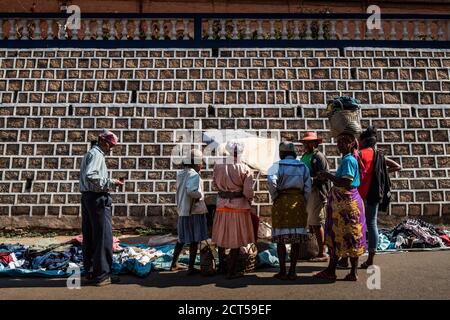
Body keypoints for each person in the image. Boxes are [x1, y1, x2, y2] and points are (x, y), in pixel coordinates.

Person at [339, 127, 401, 269]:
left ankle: (346, 258)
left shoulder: (359, 154)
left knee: (352, 226)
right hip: (374, 195)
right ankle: (370, 259)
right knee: (372, 224)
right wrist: (382, 172)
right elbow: (398, 166)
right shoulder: (379, 155)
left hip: (358, 196)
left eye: (359, 139)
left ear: (364, 141)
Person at [313, 133, 366, 281]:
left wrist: (327, 175)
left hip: (346, 204)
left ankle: (331, 271)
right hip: (350, 202)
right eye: (338, 143)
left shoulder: (348, 160)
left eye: (342, 143)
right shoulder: (350, 158)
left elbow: (346, 182)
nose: (339, 146)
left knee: (337, 235)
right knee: (351, 236)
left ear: (350, 144)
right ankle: (353, 272)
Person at [79, 129, 124, 286]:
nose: (111, 149)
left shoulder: (90, 154)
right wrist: (112, 183)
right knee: (103, 237)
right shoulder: (97, 155)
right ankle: (102, 275)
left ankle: (91, 271)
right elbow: (92, 176)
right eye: (110, 146)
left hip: (88, 198)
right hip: (97, 199)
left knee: (90, 236)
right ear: (104, 142)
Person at [267, 141, 311, 280]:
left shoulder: (276, 166)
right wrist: (303, 199)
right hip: (298, 202)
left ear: (281, 153)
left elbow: (271, 182)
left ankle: (282, 271)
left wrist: (275, 196)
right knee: (296, 240)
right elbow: (308, 187)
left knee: (280, 239)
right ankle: (292, 271)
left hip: (282, 202)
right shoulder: (303, 166)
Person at [212, 141, 255, 279]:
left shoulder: (218, 165)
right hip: (238, 207)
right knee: (235, 239)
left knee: (221, 237)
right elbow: (248, 192)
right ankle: (231, 272)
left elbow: (214, 184)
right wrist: (249, 198)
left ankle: (222, 267)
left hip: (222, 206)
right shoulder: (245, 169)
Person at [170, 149, 209, 275]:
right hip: (194, 212)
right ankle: (191, 268)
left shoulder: (181, 173)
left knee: (181, 238)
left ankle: (174, 263)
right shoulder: (194, 174)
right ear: (196, 163)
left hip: (183, 210)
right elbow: (192, 191)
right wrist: (199, 195)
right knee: (194, 240)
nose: (202, 165)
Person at [300, 132, 330, 262]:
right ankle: (316, 249)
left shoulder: (318, 157)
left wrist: (309, 180)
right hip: (307, 192)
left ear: (315, 143)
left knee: (317, 223)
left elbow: (323, 176)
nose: (306, 144)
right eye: (305, 142)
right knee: (311, 223)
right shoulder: (305, 156)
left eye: (309, 142)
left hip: (317, 192)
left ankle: (322, 253)